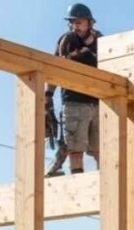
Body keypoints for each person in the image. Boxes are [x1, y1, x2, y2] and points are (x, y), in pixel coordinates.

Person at [45, 4, 102, 177]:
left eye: (79, 21)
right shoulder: (67, 40)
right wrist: (48, 96)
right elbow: (54, 69)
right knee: (75, 149)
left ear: (89, 22)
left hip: (99, 102)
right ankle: (78, 182)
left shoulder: (101, 41)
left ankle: (104, 186)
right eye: (72, 22)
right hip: (74, 102)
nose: (75, 25)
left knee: (101, 150)